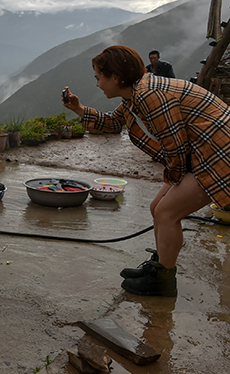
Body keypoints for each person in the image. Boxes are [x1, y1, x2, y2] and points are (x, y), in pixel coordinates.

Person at [62, 45, 230, 297]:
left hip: (218, 153)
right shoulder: (136, 94)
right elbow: (112, 122)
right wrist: (78, 108)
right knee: (157, 208)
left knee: (166, 212)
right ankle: (159, 266)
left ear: (116, 78)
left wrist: (174, 180)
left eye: (99, 77)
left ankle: (163, 281)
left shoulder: (149, 95)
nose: (97, 84)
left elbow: (175, 146)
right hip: (201, 152)